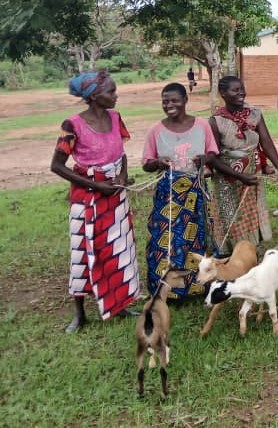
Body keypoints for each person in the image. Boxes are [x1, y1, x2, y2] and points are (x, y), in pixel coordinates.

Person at [50, 71, 140, 333]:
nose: (116, 95)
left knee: (119, 249)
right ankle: (79, 314)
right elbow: (56, 165)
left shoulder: (115, 117)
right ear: (93, 96)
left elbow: (121, 154)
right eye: (111, 92)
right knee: (82, 251)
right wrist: (96, 185)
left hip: (115, 195)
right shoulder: (72, 125)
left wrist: (122, 176)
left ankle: (120, 303)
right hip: (87, 199)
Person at [142, 83, 248, 300]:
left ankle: (195, 287)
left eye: (174, 100)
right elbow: (146, 164)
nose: (169, 105)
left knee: (196, 239)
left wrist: (204, 159)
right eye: (165, 101)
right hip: (168, 194)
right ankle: (166, 290)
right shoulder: (156, 130)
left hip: (194, 191)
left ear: (185, 101)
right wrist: (158, 162)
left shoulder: (201, 126)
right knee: (166, 239)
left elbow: (212, 154)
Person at [209, 76, 278, 255]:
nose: (241, 93)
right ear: (223, 94)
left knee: (252, 214)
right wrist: (239, 176)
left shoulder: (254, 114)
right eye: (235, 90)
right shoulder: (216, 121)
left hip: (253, 173)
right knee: (231, 216)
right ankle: (232, 258)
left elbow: (266, 142)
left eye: (242, 89)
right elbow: (212, 158)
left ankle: (250, 254)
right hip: (228, 177)